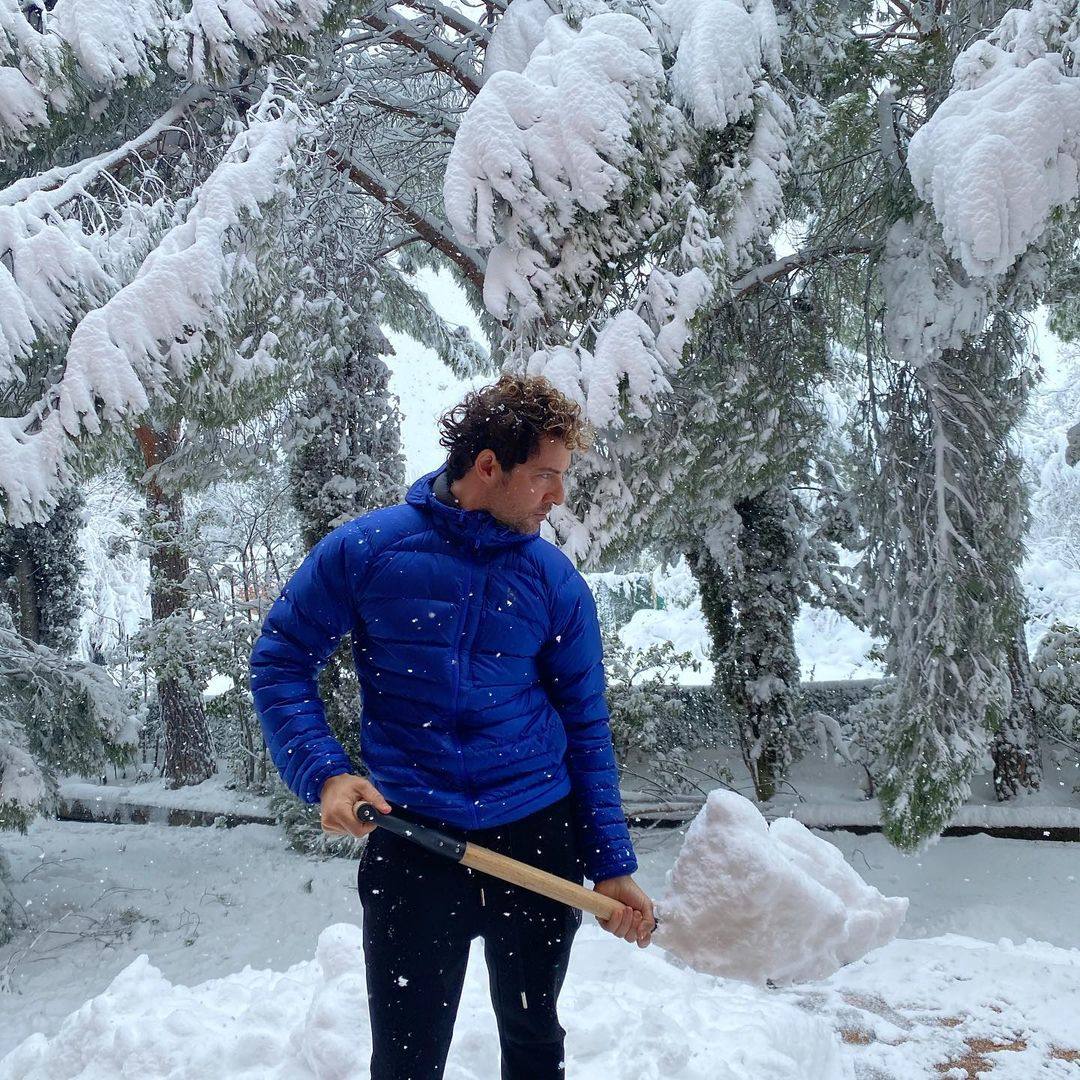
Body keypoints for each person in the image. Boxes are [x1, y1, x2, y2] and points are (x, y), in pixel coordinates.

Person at [250, 374, 655, 1080]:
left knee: (535, 1046)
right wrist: (325, 771)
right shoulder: (368, 552)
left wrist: (611, 864)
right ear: (489, 466)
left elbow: (586, 730)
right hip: (412, 838)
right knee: (406, 1059)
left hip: (535, 837)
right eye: (546, 477)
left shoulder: (554, 583)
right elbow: (282, 661)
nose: (558, 497)